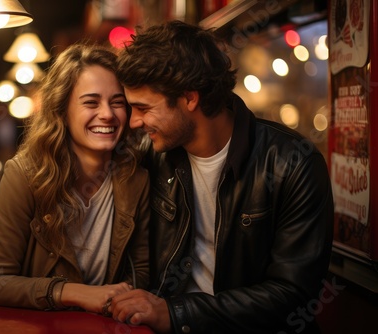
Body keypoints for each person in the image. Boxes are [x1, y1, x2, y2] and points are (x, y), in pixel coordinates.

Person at [109, 21, 334, 334]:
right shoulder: (153, 156)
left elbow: (293, 295)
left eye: (143, 108)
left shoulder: (293, 164)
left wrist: (175, 313)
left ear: (189, 98)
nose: (134, 122)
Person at [0, 43, 150, 314]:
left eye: (117, 102)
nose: (107, 114)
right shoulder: (24, 175)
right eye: (91, 102)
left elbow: (141, 276)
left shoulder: (136, 177)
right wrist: (71, 292)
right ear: (62, 111)